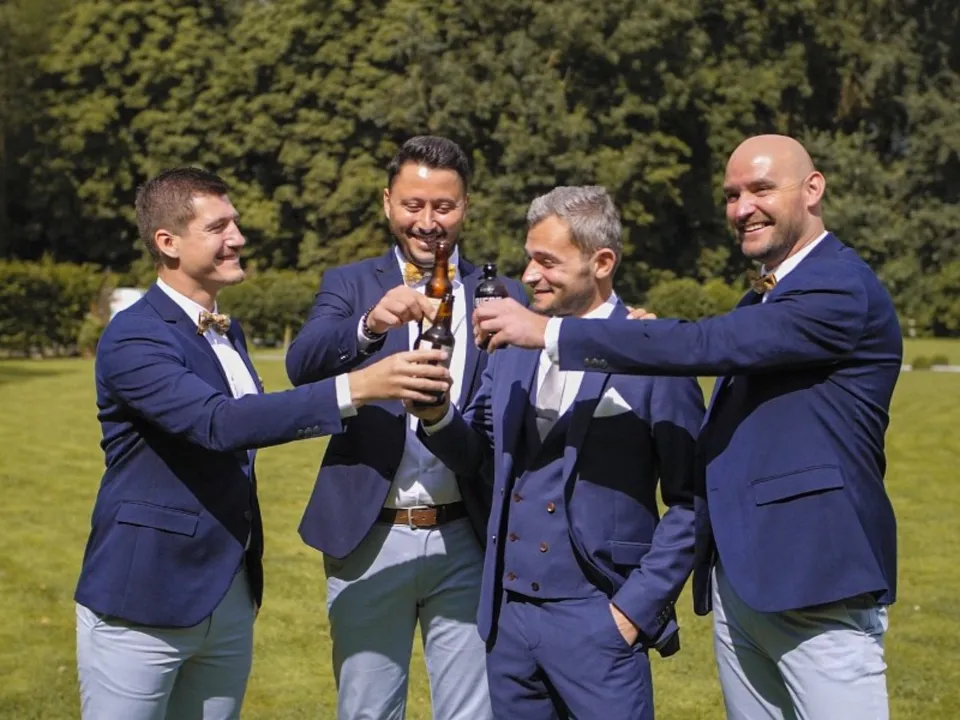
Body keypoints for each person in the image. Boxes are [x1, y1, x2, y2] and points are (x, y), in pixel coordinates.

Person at [470, 135, 902, 720]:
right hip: (744, 584)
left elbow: (706, 344)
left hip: (817, 578)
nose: (742, 207)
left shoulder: (838, 286)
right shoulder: (761, 300)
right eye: (732, 194)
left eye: (761, 189)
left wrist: (550, 332)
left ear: (813, 188)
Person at [74, 167, 450, 720]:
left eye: (236, 223)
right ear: (168, 243)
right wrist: (359, 387)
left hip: (227, 589)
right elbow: (219, 424)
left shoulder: (228, 329)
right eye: (219, 227)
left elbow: (249, 424)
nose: (238, 238)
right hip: (145, 594)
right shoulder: (133, 335)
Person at [405, 186, 704, 719]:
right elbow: (478, 455)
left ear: (602, 262)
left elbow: (693, 501)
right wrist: (436, 416)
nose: (528, 275)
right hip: (509, 623)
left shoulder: (652, 351)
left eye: (547, 261)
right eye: (529, 258)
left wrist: (632, 612)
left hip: (601, 619)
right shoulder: (512, 347)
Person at [285, 136, 526, 720]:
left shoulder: (505, 294)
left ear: (466, 207)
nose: (428, 222)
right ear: (387, 202)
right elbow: (302, 365)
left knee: (473, 714)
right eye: (413, 205)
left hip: (468, 534)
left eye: (444, 206)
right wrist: (369, 324)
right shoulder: (351, 283)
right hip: (369, 536)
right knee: (367, 711)